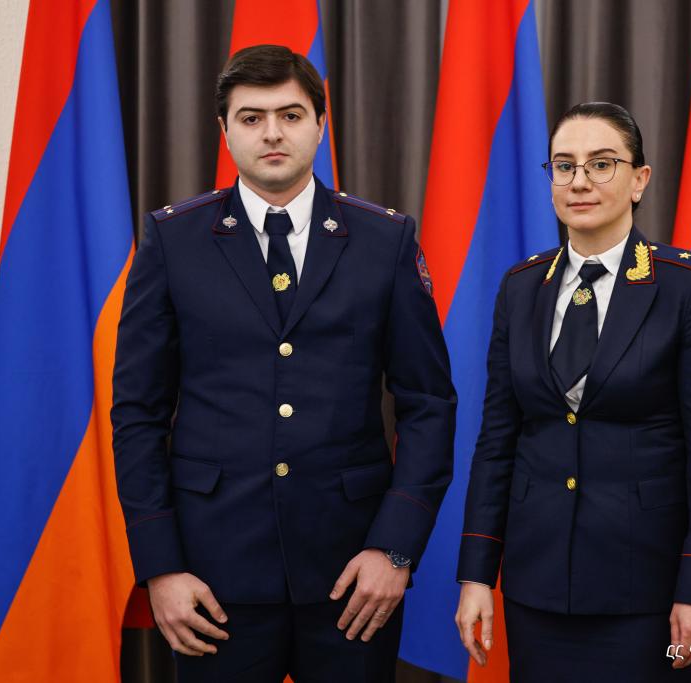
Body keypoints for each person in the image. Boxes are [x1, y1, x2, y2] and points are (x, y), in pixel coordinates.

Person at [112, 44, 456, 682]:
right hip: (211, 575)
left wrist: (395, 548)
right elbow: (138, 413)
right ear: (224, 130)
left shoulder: (384, 239)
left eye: (291, 115)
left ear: (321, 125)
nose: (272, 133)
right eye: (251, 117)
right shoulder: (174, 239)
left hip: (355, 574)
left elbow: (429, 404)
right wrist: (161, 566)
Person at [454, 102, 691, 682]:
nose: (579, 181)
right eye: (564, 165)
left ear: (639, 180)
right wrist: (477, 573)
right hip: (537, 584)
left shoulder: (686, 287)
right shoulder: (520, 287)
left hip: (647, 589)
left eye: (601, 164)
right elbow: (497, 441)